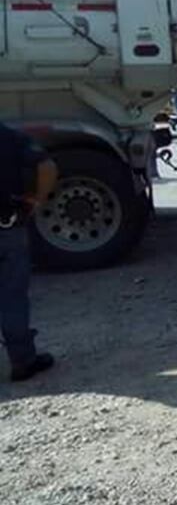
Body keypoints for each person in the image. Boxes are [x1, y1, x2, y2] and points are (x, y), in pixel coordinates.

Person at [1, 120, 58, 381]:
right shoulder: (10, 136)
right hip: (7, 227)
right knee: (12, 296)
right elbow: (46, 167)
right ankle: (22, 360)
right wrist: (36, 200)